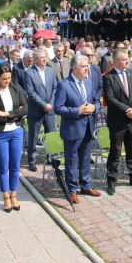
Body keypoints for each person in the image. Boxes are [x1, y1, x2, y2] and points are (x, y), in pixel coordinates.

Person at [55, 55, 101, 202]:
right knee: (71, 161)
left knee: (86, 159)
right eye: (83, 66)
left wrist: (94, 107)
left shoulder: (88, 83)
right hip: (72, 129)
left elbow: (96, 101)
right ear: (74, 68)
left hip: (87, 127)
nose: (87, 68)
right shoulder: (64, 85)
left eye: (87, 66)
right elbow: (58, 108)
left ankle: (86, 186)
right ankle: (72, 189)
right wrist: (77, 111)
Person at [102, 48, 132, 195]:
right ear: (116, 61)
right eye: (124, 60)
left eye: (127, 59)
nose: (127, 61)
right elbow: (110, 98)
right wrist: (126, 110)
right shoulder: (109, 77)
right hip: (118, 120)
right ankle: (111, 180)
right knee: (115, 151)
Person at [0, 65, 27, 212]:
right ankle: (6, 198)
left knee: (15, 166)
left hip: (16, 131)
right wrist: (15, 114)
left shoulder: (15, 89)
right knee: (3, 167)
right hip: (0, 134)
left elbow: (25, 108)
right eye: (4, 78)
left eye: (9, 78)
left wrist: (6, 114)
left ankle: (14, 195)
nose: (7, 81)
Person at [24, 50, 57, 171]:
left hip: (49, 110)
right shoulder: (29, 73)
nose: (44, 59)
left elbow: (55, 87)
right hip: (36, 110)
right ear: (35, 60)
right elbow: (31, 92)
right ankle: (31, 160)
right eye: (42, 58)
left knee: (50, 135)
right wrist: (43, 105)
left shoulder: (50, 70)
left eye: (45, 57)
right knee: (33, 136)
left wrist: (51, 104)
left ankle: (50, 157)